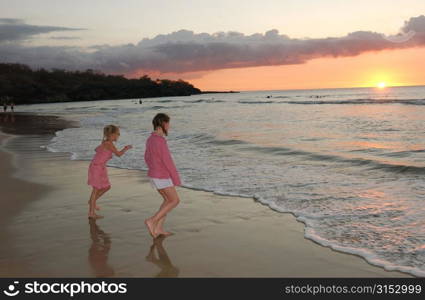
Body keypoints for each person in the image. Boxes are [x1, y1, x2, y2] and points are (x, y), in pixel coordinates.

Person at [144, 113, 181, 238]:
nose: (169, 126)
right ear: (163, 124)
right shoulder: (160, 141)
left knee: (167, 200)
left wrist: (153, 169)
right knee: (175, 200)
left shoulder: (150, 139)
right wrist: (176, 178)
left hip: (154, 174)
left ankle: (159, 228)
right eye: (168, 123)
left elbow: (146, 157)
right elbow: (168, 161)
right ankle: (152, 220)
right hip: (161, 175)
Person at [87, 125, 132, 219]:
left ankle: (92, 201)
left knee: (107, 187)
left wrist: (104, 154)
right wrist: (126, 148)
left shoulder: (106, 143)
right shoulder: (109, 144)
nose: (118, 136)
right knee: (96, 189)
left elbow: (96, 149)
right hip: (97, 167)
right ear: (112, 134)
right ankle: (91, 212)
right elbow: (119, 154)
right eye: (117, 134)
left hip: (101, 167)